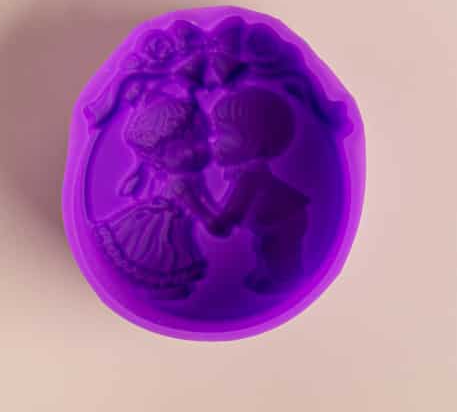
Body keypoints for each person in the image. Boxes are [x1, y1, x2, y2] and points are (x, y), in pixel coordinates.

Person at [94, 93, 217, 298]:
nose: (193, 152)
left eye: (199, 142)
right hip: (165, 223)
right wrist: (210, 219)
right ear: (158, 156)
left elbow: (206, 199)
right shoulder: (180, 183)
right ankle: (162, 287)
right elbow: (195, 205)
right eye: (180, 149)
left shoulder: (195, 178)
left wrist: (217, 213)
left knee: (172, 255)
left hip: (178, 223)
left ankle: (167, 287)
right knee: (162, 254)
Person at [208, 87, 309, 293]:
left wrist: (196, 206)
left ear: (257, 142)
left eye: (223, 132)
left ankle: (281, 281)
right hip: (278, 217)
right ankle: (273, 276)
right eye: (215, 131)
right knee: (268, 248)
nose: (213, 140)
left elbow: (229, 217)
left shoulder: (250, 177)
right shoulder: (245, 174)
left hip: (282, 219)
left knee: (274, 251)